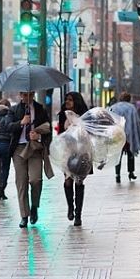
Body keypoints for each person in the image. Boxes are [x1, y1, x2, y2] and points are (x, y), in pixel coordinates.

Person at [6, 91, 54, 228]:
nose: (27, 97)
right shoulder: (14, 110)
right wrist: (20, 123)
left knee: (36, 180)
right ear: (20, 95)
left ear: (33, 94)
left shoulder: (40, 109)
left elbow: (48, 129)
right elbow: (6, 126)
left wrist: (38, 136)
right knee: (21, 182)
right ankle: (24, 215)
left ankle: (34, 206)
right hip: (19, 149)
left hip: (34, 147)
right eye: (25, 95)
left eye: (30, 95)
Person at [57, 91, 89, 223]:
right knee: (68, 181)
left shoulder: (84, 117)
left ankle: (78, 215)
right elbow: (60, 134)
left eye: (70, 100)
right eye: (66, 100)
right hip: (67, 153)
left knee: (79, 181)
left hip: (82, 153)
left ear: (76, 101)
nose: (67, 102)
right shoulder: (62, 116)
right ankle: (70, 207)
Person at [109, 92, 140, 183]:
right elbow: (135, 122)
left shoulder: (114, 107)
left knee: (118, 155)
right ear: (129, 99)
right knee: (130, 154)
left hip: (118, 135)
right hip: (129, 135)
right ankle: (131, 172)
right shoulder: (131, 108)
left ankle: (117, 175)